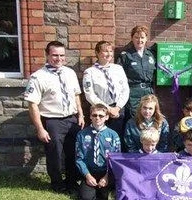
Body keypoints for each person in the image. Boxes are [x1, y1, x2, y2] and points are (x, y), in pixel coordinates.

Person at [24, 41, 85, 192]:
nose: (59, 58)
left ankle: (72, 182)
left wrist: (81, 115)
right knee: (55, 155)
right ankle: (57, 184)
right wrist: (40, 129)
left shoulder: (70, 73)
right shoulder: (38, 77)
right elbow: (32, 105)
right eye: (55, 55)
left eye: (62, 55)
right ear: (47, 55)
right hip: (52, 121)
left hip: (72, 119)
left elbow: (76, 95)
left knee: (74, 152)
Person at [83, 41, 129, 151]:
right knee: (100, 140)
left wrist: (117, 108)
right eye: (105, 51)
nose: (108, 54)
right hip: (100, 111)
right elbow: (90, 95)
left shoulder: (118, 68)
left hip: (118, 110)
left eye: (110, 51)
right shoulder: (90, 72)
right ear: (97, 53)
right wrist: (107, 109)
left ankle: (115, 165)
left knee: (117, 139)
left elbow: (125, 89)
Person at [75, 104, 120, 200]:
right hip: (89, 172)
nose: (97, 118)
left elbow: (116, 159)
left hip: (106, 172)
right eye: (94, 115)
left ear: (107, 117)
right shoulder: (82, 134)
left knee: (104, 196)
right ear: (90, 116)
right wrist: (88, 176)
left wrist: (107, 176)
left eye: (101, 115)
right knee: (86, 197)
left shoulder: (113, 135)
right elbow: (79, 158)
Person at [116, 25, 156, 118]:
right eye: (136, 37)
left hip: (148, 92)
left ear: (146, 39)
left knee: (149, 118)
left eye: (142, 37)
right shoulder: (125, 55)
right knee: (134, 118)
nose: (139, 40)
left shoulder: (151, 55)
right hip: (133, 92)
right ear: (132, 38)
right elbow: (118, 77)